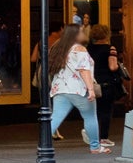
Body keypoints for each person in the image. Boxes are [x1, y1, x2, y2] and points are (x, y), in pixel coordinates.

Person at [47, 24, 108, 154]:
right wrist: (91, 90)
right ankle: (95, 146)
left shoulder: (58, 48)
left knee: (56, 117)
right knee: (90, 117)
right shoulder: (80, 49)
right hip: (79, 90)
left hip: (61, 88)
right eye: (81, 31)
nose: (84, 33)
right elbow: (84, 70)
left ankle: (44, 144)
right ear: (75, 34)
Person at [87, 23, 121, 147]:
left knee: (93, 112)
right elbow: (113, 67)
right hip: (106, 84)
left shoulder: (88, 48)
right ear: (106, 35)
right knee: (106, 111)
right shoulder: (110, 49)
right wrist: (119, 66)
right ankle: (104, 138)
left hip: (91, 83)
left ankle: (92, 136)